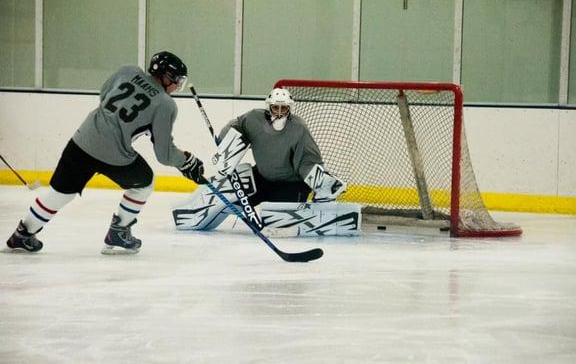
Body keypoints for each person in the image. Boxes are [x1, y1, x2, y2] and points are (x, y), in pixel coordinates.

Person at [6, 51, 206, 254]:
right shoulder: (165, 104)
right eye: (177, 80)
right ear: (166, 76)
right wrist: (187, 161)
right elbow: (164, 154)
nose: (177, 86)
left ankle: (22, 234)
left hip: (83, 139)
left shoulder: (127, 70)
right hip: (115, 155)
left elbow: (104, 95)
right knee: (144, 182)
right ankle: (119, 231)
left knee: (60, 194)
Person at [172, 88, 360, 237]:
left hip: (291, 185)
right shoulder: (254, 118)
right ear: (268, 107)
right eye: (275, 108)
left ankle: (298, 219)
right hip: (261, 178)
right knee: (227, 190)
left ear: (289, 109)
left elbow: (308, 160)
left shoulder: (298, 128)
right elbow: (237, 126)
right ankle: (191, 213)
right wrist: (225, 143)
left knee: (275, 221)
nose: (279, 112)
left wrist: (319, 181)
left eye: (283, 108)